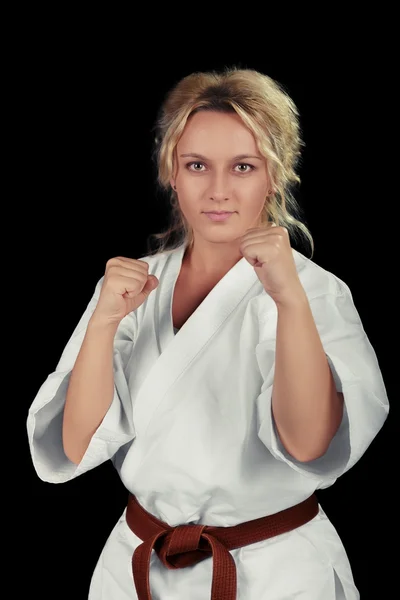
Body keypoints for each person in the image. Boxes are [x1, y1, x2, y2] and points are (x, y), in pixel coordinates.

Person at [27, 67, 389, 600]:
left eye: (242, 167)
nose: (218, 190)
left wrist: (288, 299)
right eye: (197, 165)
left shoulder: (315, 292)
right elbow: (74, 445)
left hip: (272, 572)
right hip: (139, 564)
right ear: (172, 173)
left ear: (274, 175)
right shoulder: (131, 287)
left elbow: (310, 445)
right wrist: (103, 323)